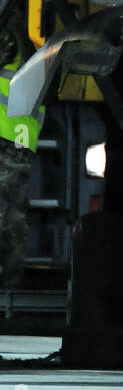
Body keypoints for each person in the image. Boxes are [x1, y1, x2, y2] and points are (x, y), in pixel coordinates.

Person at [0, 20, 44, 297]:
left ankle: (9, 289)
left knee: (10, 220)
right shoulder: (22, 38)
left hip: (8, 139)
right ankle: (10, 289)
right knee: (13, 220)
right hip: (20, 140)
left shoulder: (7, 32)